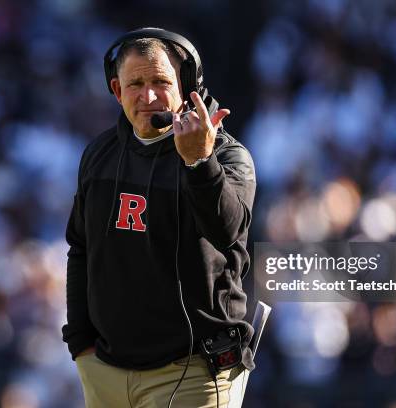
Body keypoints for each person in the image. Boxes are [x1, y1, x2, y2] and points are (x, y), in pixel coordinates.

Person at [62, 27, 256, 407]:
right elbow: (81, 250)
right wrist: (81, 346)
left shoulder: (229, 156)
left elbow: (228, 232)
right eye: (135, 83)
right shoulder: (99, 154)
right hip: (106, 371)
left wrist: (199, 161)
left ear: (187, 86)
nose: (148, 96)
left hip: (194, 371)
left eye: (160, 81)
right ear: (117, 91)